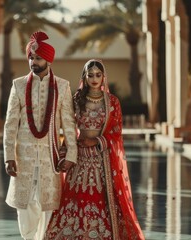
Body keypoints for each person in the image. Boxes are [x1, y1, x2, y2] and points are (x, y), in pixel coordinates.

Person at [44, 59, 145, 239]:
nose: (94, 78)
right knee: (74, 198)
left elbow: (116, 132)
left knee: (101, 198)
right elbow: (68, 128)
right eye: (90, 75)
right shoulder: (77, 99)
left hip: (101, 159)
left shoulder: (112, 102)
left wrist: (96, 141)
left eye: (98, 75)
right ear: (85, 76)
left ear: (103, 77)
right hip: (80, 159)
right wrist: (63, 153)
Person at [3, 31, 78, 240]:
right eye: (30, 57)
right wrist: (9, 156)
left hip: (49, 157)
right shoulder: (18, 85)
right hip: (24, 158)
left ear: (48, 59)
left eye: (37, 58)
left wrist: (71, 155)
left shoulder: (62, 87)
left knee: (46, 206)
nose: (33, 62)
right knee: (25, 206)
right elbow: (10, 124)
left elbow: (69, 124)